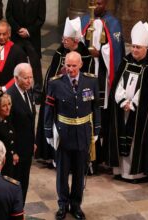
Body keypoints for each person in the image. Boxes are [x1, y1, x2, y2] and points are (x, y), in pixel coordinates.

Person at [105, 21, 148, 182]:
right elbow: (118, 84)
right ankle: (120, 170)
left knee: (136, 140)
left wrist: (133, 104)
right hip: (123, 109)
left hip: (139, 112)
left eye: (138, 47)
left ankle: (135, 173)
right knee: (122, 136)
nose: (134, 50)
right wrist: (122, 101)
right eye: (133, 46)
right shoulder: (126, 61)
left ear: (146, 48)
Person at [44, 51, 101, 220]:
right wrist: (48, 131)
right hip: (63, 134)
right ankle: (62, 204)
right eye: (68, 65)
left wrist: (96, 129)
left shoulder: (91, 81)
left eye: (73, 66)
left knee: (79, 172)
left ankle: (76, 205)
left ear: (80, 65)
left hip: (83, 134)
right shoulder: (55, 84)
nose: (70, 69)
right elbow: (48, 109)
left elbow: (95, 106)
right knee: (62, 172)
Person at [36, 17, 91, 166]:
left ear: (75, 41)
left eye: (66, 39)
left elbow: (86, 82)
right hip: (56, 99)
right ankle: (52, 156)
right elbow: (51, 76)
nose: (63, 41)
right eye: (63, 38)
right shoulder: (60, 52)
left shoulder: (84, 56)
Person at [81, 0, 125, 170]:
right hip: (86, 72)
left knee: (102, 114)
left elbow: (116, 50)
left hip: (102, 75)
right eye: (93, 2)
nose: (95, 6)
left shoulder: (113, 23)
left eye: (99, 3)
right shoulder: (84, 21)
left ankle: (101, 155)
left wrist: (100, 53)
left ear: (105, 4)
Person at [6, 0, 46, 103]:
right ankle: (14, 90)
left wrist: (28, 31)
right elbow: (9, 15)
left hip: (32, 37)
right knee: (15, 64)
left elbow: (41, 18)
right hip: (17, 36)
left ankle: (37, 93)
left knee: (35, 64)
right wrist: (18, 29)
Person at [7, 63, 36, 205]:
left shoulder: (28, 91)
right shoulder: (10, 97)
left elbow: (30, 120)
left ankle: (20, 210)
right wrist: (13, 152)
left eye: (31, 77)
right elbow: (8, 127)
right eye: (26, 78)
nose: (29, 81)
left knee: (24, 183)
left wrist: (34, 142)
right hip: (17, 153)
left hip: (27, 148)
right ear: (16, 78)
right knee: (16, 185)